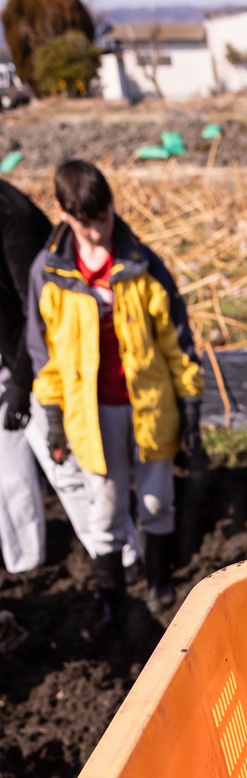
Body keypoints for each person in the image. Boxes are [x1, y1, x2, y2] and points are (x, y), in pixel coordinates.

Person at [27, 159, 203, 629]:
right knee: (104, 508)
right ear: (64, 214)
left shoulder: (142, 265)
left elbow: (176, 339)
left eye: (103, 218)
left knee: (156, 501)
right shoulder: (50, 273)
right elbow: (44, 352)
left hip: (149, 404)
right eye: (86, 223)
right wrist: (53, 415)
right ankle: (112, 601)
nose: (98, 231)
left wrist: (190, 403)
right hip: (91, 412)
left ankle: (160, 584)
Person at [0, 180, 50, 574]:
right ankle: (26, 564)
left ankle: (118, 558)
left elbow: (38, 309)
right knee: (9, 474)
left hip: (33, 360)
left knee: (67, 467)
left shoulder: (12, 216)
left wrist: (21, 380)